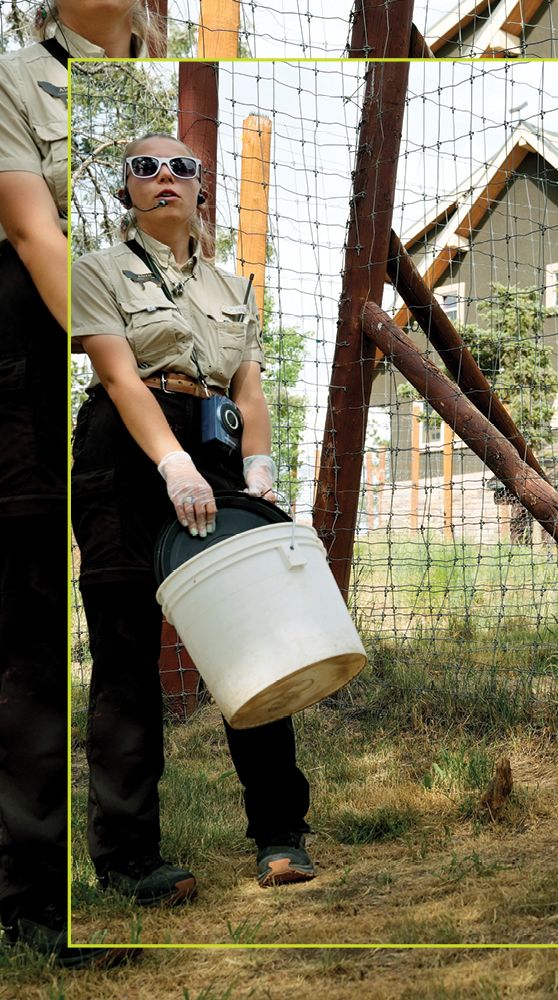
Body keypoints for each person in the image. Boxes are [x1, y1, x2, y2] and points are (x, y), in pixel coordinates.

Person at [70, 132, 315, 914]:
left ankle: (280, 832)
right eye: (145, 167)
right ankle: (130, 855)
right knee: (125, 653)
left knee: (251, 641)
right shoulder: (95, 271)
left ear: (201, 189)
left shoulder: (230, 288)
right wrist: (170, 465)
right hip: (124, 449)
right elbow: (116, 371)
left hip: (214, 445)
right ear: (127, 193)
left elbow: (247, 385)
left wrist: (258, 467)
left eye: (181, 166)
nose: (164, 176)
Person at [0, 0, 154, 966]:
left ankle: (73, 883)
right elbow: (30, 231)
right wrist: (123, 361)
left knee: (82, 632)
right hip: (24, 382)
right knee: (27, 646)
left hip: (80, 400)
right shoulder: (21, 73)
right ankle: (31, 908)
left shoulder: (136, 104)